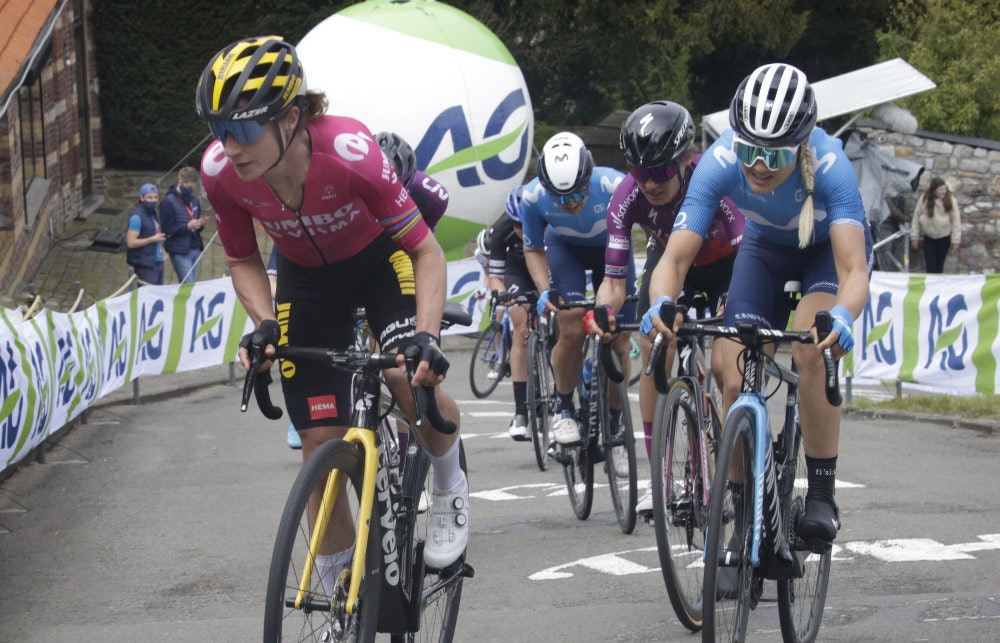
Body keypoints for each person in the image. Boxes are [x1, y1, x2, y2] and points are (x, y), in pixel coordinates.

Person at [195, 36, 468, 577]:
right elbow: (244, 258)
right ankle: (339, 588)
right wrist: (265, 322)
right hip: (306, 279)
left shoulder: (351, 152)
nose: (231, 146)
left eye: (244, 129)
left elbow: (425, 249)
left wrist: (427, 338)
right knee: (319, 445)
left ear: (290, 118)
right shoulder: (220, 173)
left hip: (379, 264)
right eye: (219, 131)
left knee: (405, 378)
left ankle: (448, 483)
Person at [642, 63, 871, 547]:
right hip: (764, 250)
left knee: (813, 346)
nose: (759, 165)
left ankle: (822, 496)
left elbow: (854, 269)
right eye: (749, 149)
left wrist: (845, 313)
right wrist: (662, 302)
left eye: (773, 154)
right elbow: (675, 255)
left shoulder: (832, 167)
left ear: (802, 145)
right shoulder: (721, 161)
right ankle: (747, 516)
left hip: (822, 255)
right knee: (733, 365)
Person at [589, 100, 745, 514]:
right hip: (673, 264)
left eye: (659, 171)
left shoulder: (709, 179)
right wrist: (603, 315)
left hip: (728, 265)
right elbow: (613, 280)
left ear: (684, 159)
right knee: (654, 339)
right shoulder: (625, 199)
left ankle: (734, 468)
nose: (649, 184)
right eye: (639, 173)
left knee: (725, 365)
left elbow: (746, 247)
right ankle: (660, 477)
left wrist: (735, 304)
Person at [265, 131, 450, 452]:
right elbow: (276, 268)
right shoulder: (324, 190)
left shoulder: (430, 197)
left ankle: (414, 451)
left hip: (395, 256)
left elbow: (420, 255)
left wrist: (417, 326)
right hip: (336, 265)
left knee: (399, 369)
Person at [520, 132, 635, 449]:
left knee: (619, 340)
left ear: (589, 177)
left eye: (577, 194)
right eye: (559, 198)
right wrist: (545, 290)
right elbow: (533, 249)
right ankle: (564, 407)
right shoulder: (531, 197)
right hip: (564, 250)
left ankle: (614, 421)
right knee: (570, 326)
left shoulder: (614, 185)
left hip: (612, 251)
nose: (569, 203)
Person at [488, 186, 535, 440]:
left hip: (547, 264)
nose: (523, 230)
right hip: (518, 271)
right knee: (521, 328)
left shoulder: (550, 218)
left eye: (527, 223)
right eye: (518, 225)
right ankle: (521, 413)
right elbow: (495, 277)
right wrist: (503, 295)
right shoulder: (502, 229)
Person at [159, 166, 206, 284]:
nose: (192, 189)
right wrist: (187, 227)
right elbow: (166, 230)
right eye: (189, 187)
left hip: (195, 246)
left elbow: (196, 220)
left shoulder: (194, 198)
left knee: (193, 285)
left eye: (194, 186)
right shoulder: (168, 202)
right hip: (180, 251)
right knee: (187, 285)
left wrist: (200, 224)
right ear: (180, 182)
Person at [911, 176, 960, 274]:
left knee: (939, 267)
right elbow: (916, 217)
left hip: (944, 237)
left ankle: (938, 288)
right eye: (941, 190)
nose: (943, 192)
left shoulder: (950, 199)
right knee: (930, 266)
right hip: (929, 237)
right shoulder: (924, 198)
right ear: (934, 191)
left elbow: (956, 220)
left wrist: (956, 240)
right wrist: (914, 237)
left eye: (944, 189)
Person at [125, 183, 167, 286]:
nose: (153, 200)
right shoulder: (137, 217)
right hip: (145, 265)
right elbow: (130, 242)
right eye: (149, 197)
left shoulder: (153, 215)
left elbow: (157, 236)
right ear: (142, 198)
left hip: (157, 262)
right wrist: (151, 239)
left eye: (155, 197)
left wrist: (163, 253)